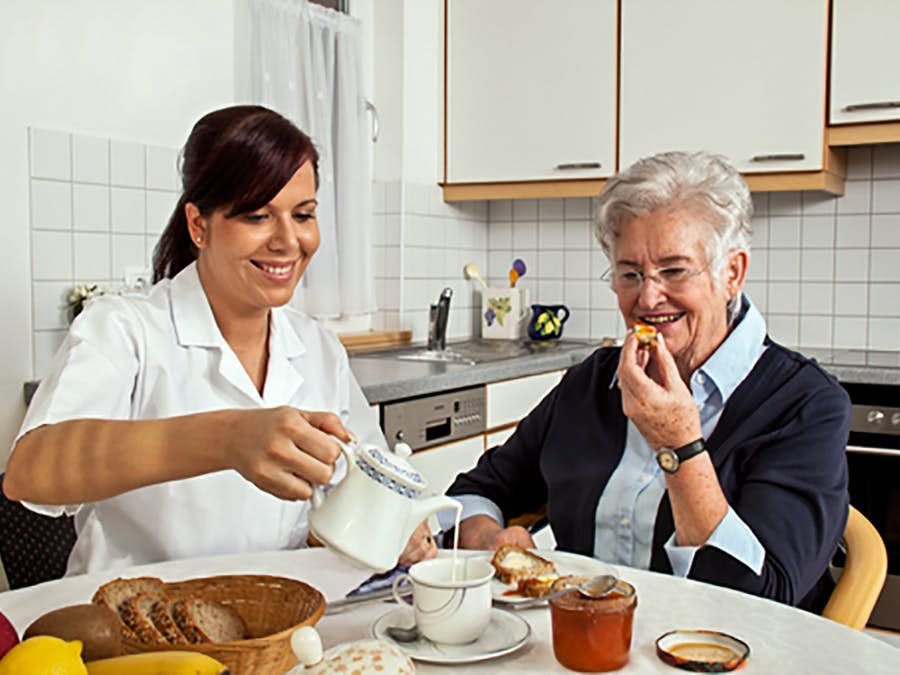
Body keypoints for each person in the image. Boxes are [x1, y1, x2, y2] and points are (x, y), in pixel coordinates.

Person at [4, 105, 437, 575]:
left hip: (280, 622)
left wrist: (396, 525)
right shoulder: (126, 329)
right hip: (136, 630)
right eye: (257, 216)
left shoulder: (317, 349)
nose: (289, 241)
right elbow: (32, 470)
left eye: (303, 214)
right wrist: (229, 437)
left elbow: (360, 483)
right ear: (199, 226)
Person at [443, 150, 850, 611]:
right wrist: (489, 541)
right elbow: (472, 493)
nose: (649, 296)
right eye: (630, 274)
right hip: (585, 646)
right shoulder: (590, 384)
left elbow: (762, 602)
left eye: (674, 270)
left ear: (731, 273)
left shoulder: (806, 403)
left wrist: (679, 444)